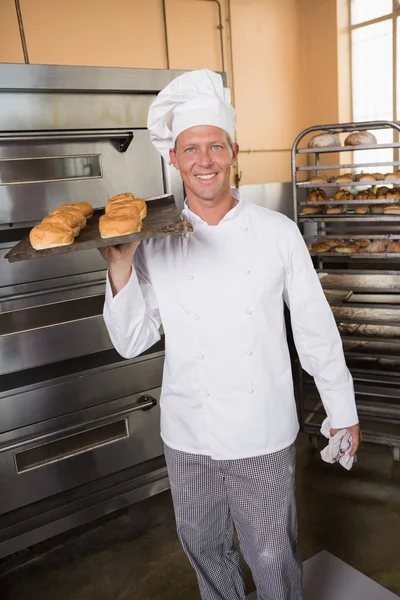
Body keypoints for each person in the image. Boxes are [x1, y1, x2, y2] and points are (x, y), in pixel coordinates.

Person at [101, 69, 360, 600]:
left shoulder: (277, 233)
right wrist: (121, 268)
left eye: (215, 146)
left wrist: (342, 409)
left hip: (259, 428)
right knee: (204, 546)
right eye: (190, 149)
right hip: (187, 432)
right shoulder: (153, 241)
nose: (204, 161)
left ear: (234, 151)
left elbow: (314, 327)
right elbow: (132, 340)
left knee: (271, 553)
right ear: (174, 159)